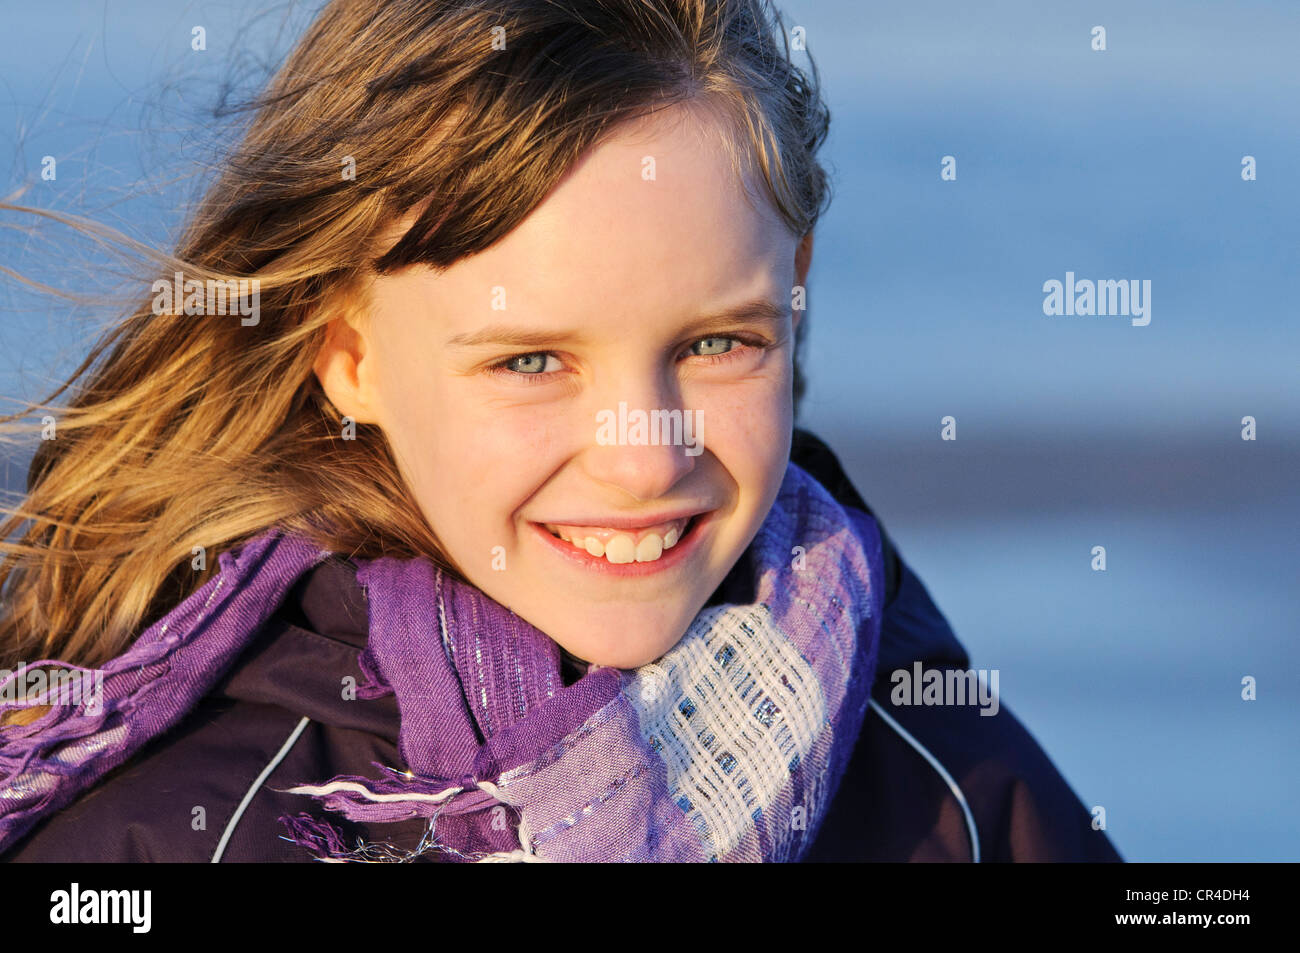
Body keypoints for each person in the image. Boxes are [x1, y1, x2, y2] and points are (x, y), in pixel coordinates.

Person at [0, 0, 1120, 863]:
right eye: (532, 360)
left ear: (795, 291)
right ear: (346, 354)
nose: (642, 456)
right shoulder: (182, 830)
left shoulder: (939, 767)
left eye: (718, 343)